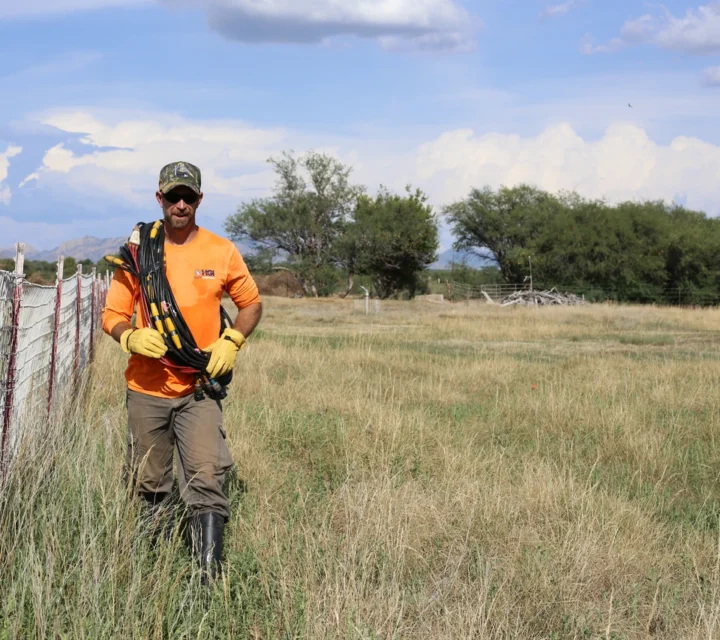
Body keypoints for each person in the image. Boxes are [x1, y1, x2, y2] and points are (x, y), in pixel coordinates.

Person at [101, 161, 262, 582]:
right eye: (173, 196)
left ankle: (209, 581)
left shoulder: (221, 250)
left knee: (207, 475)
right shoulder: (138, 253)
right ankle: (148, 576)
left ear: (199, 200)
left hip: (198, 388)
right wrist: (129, 336)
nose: (180, 204)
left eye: (188, 196)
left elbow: (252, 304)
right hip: (146, 389)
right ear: (159, 198)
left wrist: (233, 341)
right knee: (150, 482)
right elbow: (112, 314)